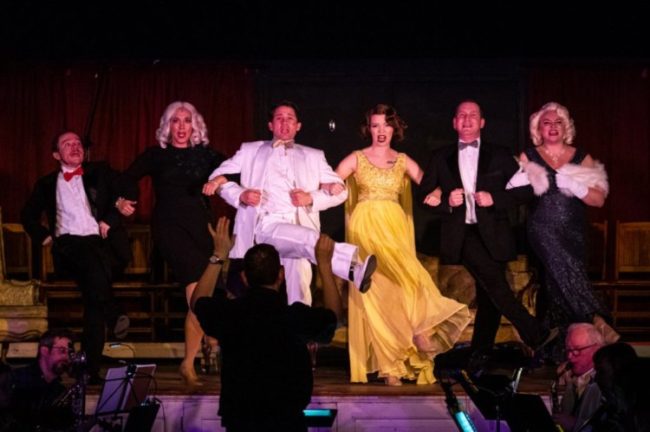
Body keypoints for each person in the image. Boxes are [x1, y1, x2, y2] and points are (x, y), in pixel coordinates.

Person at [329, 104, 471, 385]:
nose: (381, 131)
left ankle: (412, 340)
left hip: (394, 228)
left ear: (395, 128)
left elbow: (428, 183)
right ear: (368, 128)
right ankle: (390, 365)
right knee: (378, 293)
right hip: (366, 226)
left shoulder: (403, 160)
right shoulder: (357, 158)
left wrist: (439, 193)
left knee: (408, 283)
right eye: (376, 125)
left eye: (386, 125)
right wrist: (332, 185)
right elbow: (331, 178)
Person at [419, 100, 557, 357]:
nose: (467, 119)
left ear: (482, 122)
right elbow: (424, 196)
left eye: (473, 115)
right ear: (454, 123)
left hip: (494, 234)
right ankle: (534, 333)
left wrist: (495, 198)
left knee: (490, 297)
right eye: (462, 115)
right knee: (497, 286)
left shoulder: (500, 154)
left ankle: (480, 356)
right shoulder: (440, 157)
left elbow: (527, 189)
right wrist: (447, 201)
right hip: (463, 234)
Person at [203, 100, 376, 306]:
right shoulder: (250, 150)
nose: (284, 123)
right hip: (264, 226)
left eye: (290, 119)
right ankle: (351, 267)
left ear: (298, 125)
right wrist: (241, 194)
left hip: (297, 224)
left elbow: (340, 192)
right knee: (306, 241)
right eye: (279, 119)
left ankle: (303, 336)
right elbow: (218, 177)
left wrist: (312, 197)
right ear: (271, 125)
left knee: (299, 292)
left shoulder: (314, 156)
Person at [190, 217, 342, 431]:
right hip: (287, 421)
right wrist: (324, 266)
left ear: (244, 277)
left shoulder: (230, 313)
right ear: (281, 275)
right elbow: (333, 317)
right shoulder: (294, 316)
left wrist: (219, 256)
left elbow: (197, 302)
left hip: (241, 421)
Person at [115, 101, 228, 387]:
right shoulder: (157, 155)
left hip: (202, 228)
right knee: (198, 297)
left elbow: (238, 169)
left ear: (195, 125)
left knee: (207, 295)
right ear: (167, 126)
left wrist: (221, 179)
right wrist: (123, 199)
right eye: (175, 121)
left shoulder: (207, 156)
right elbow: (127, 177)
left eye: (186, 121)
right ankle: (188, 363)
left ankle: (208, 342)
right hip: (170, 228)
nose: (180, 127)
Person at [21, 131, 130, 382]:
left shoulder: (99, 173)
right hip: (68, 247)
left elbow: (126, 188)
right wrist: (45, 237)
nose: (74, 147)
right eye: (67, 144)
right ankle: (112, 313)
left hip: (100, 245)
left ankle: (89, 371)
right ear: (56, 154)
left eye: (78, 143)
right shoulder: (46, 184)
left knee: (94, 299)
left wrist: (112, 216)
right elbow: (27, 215)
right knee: (91, 267)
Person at [515, 102, 617, 354]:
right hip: (542, 229)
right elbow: (515, 193)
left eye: (557, 122)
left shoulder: (582, 157)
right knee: (560, 270)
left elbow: (598, 199)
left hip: (574, 233)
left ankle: (562, 350)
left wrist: (577, 185)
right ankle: (597, 317)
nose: (552, 127)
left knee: (557, 285)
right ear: (538, 128)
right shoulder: (529, 155)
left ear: (566, 127)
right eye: (546, 123)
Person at [0, 329, 76, 431]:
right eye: (62, 351)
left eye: (69, 353)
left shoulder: (60, 391)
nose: (66, 357)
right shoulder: (16, 379)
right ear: (44, 351)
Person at [553, 323, 606, 432]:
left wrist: (576, 424)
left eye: (577, 350)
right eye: (568, 350)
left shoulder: (605, 382)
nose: (570, 357)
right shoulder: (572, 376)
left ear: (597, 348)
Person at [591, 342, 650, 432]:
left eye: (602, 372)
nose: (596, 378)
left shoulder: (640, 413)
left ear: (620, 373)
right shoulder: (609, 408)